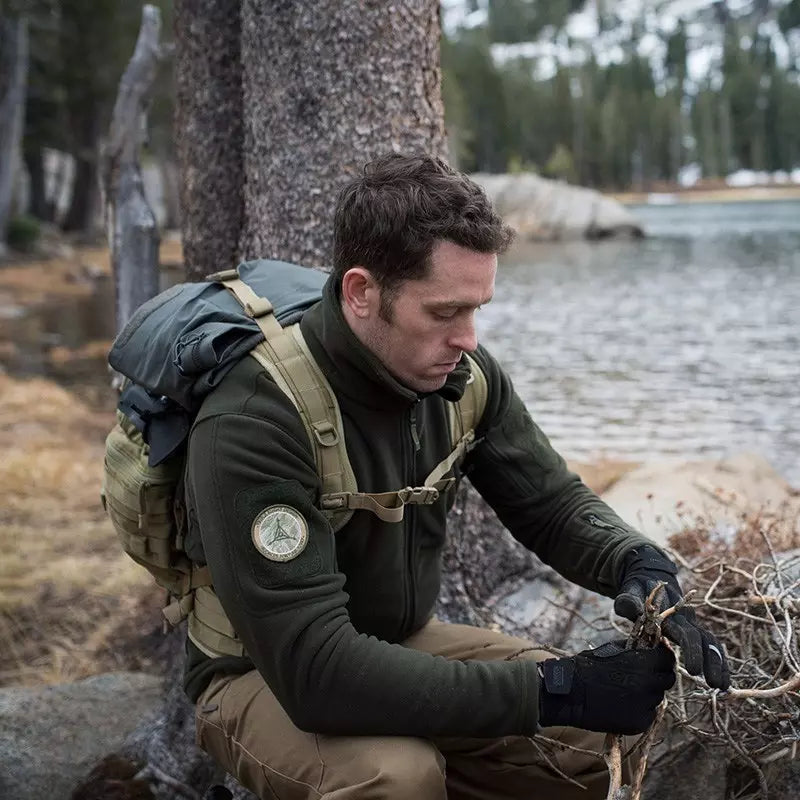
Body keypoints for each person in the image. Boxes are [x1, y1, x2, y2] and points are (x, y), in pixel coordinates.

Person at [182, 154, 729, 799]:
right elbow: (315, 672)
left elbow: (549, 504)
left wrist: (639, 564)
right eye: (445, 313)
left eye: (478, 309)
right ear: (361, 293)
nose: (468, 338)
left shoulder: (462, 377)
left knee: (596, 738)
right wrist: (556, 690)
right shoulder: (255, 420)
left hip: (398, 641)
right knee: (396, 777)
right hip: (262, 673)